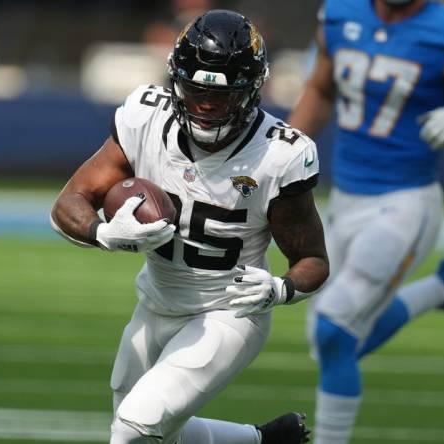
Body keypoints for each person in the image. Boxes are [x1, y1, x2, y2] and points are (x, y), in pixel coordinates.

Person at [51, 10, 328, 444]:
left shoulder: (279, 155)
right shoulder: (145, 118)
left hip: (227, 312)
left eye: (221, 96)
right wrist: (103, 234)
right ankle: (264, 440)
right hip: (155, 302)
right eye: (196, 89)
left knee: (133, 427)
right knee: (153, 427)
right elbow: (69, 202)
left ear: (252, 91)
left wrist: (279, 289)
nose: (204, 105)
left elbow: (312, 260)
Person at [287, 1, 444, 442]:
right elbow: (320, 90)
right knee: (328, 344)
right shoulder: (342, 15)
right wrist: (281, 159)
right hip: (344, 199)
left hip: (405, 204)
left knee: (335, 328)